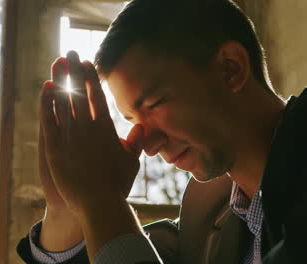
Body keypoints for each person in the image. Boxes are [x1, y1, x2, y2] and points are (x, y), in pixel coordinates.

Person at [17, 0, 307, 263]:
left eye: (155, 103)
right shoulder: (205, 213)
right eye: (133, 121)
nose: (150, 145)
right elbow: (112, 251)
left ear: (230, 68)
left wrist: (100, 199)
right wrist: (67, 209)